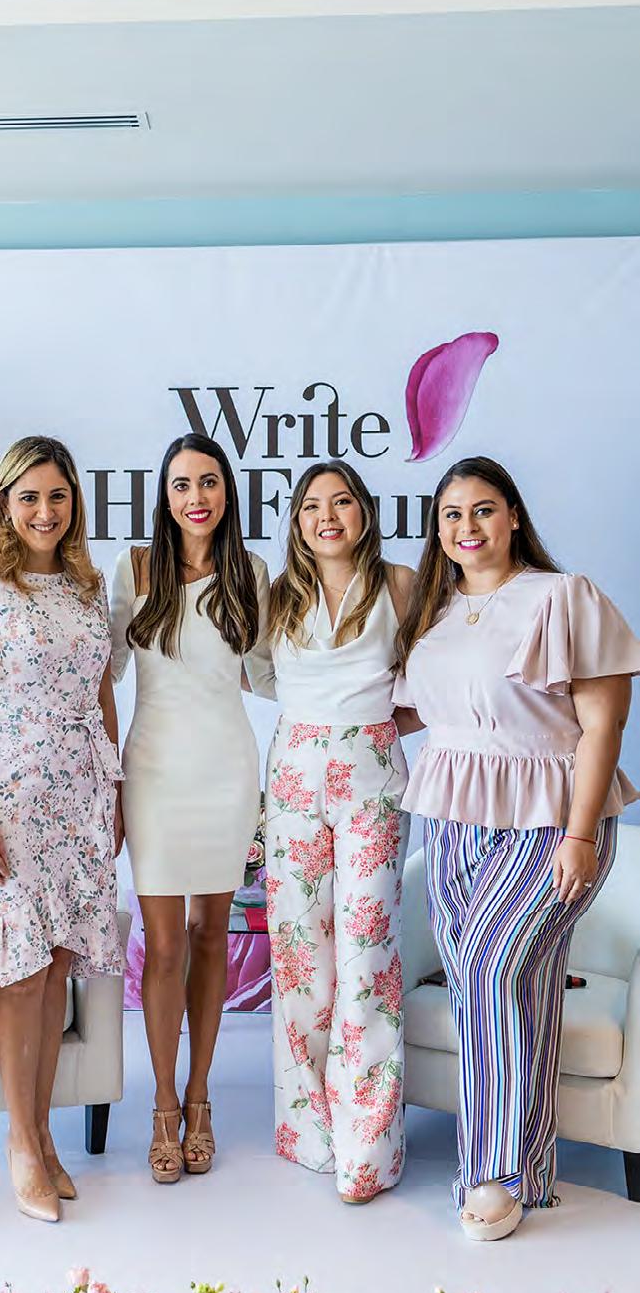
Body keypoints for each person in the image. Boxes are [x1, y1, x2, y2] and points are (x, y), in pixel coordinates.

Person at [393, 455, 640, 1240]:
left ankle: (490, 1173)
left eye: (482, 509)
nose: (466, 527)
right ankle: (528, 1171)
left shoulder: (561, 597)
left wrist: (579, 833)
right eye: (451, 515)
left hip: (551, 817)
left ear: (512, 517)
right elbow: (413, 712)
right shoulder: (431, 613)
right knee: (510, 987)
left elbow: (603, 724)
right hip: (451, 818)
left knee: (488, 968)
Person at [0, 435, 123, 1224]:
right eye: (28, 497)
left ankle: (44, 1134)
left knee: (55, 969)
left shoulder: (86, 586)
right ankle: (18, 1143)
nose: (44, 512)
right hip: (7, 800)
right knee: (18, 971)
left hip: (79, 797)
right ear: (4, 504)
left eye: (56, 496)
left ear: (73, 502)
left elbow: (102, 694)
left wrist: (113, 794)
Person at [110, 432, 273, 1183]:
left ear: (227, 492)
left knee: (211, 937)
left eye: (208, 483)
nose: (196, 498)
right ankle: (163, 1107)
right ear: (165, 496)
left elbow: (270, 673)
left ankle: (200, 1100)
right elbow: (99, 668)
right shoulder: (136, 568)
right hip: (153, 772)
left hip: (226, 772)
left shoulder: (252, 572)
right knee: (165, 944)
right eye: (181, 485)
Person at [266, 461, 414, 1203]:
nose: (327, 516)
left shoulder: (400, 584)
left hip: (372, 776)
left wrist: (371, 726)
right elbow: (261, 677)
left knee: (367, 955)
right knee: (300, 955)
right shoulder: (275, 596)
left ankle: (368, 1151)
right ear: (296, 521)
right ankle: (309, 1132)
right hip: (293, 771)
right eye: (312, 506)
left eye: (342, 502)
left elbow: (427, 683)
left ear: (364, 513)